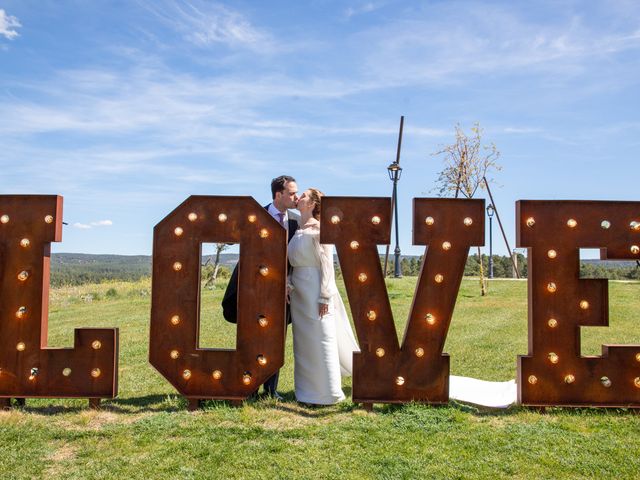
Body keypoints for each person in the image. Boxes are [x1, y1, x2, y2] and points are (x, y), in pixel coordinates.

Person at [222, 175, 299, 400]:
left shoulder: (295, 222)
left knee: (276, 338)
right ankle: (250, 386)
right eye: (292, 193)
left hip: (280, 291)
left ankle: (271, 389)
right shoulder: (255, 216)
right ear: (278, 194)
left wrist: (288, 283)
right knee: (251, 337)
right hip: (250, 288)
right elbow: (230, 236)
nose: (296, 197)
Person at [288, 188, 359, 405]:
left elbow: (327, 265)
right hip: (298, 292)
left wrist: (325, 296)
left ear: (312, 204)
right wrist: (288, 281)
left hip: (315, 289)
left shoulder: (321, 229)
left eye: (304, 196)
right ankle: (307, 392)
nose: (298, 197)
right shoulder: (298, 227)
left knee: (322, 337)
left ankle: (328, 392)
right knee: (304, 343)